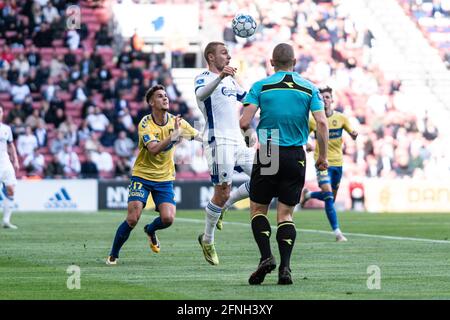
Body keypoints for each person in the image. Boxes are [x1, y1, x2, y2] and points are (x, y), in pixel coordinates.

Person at [240, 43, 329, 285]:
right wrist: (322, 156)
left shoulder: (261, 86)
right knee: (286, 214)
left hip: (269, 146)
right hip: (296, 152)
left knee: (259, 209)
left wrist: (251, 138)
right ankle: (286, 268)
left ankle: (266, 257)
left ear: (271, 62)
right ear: (295, 62)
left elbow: (245, 121)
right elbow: (321, 123)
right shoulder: (309, 88)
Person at [106, 85, 200, 265]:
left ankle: (150, 230)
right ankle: (113, 255)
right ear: (151, 102)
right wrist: (174, 135)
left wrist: (219, 140)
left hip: (164, 179)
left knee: (168, 219)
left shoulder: (176, 122)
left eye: (166, 96)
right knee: (133, 218)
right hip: (142, 176)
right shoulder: (145, 123)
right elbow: (154, 149)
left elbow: (200, 136)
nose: (165, 98)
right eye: (159, 96)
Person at [194, 42, 255, 266]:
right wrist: (220, 78)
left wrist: (251, 128)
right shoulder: (202, 78)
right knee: (221, 193)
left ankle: (225, 207)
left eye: (228, 53)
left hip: (238, 141)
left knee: (265, 178)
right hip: (218, 141)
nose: (228, 56)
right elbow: (201, 95)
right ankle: (207, 239)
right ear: (211, 57)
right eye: (223, 53)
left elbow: (249, 100)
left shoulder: (230, 80)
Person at [300, 86, 358, 242]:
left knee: (329, 198)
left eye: (327, 97)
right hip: (322, 161)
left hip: (338, 163)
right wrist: (308, 144)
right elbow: (303, 136)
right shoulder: (314, 120)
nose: (325, 100)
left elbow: (352, 133)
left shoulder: (341, 118)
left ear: (332, 100)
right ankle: (338, 232)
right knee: (328, 194)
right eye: (322, 97)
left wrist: (354, 135)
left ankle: (309, 195)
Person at [0, 104, 20, 229]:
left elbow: (11, 145)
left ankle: (6, 221)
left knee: (11, 189)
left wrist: (16, 160)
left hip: (5, 161)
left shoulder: (6, 128)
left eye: (0, 111)